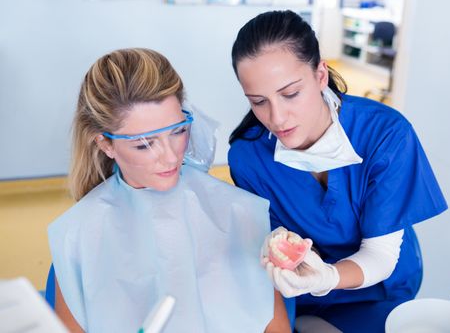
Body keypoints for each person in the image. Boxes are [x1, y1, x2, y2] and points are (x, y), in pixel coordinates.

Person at [228, 10, 448, 332]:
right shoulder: (248, 157)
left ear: (320, 75)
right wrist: (279, 244)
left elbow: (380, 256)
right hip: (302, 294)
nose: (277, 118)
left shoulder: (385, 135)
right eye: (258, 101)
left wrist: (329, 276)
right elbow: (275, 237)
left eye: (290, 94)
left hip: (376, 291)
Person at [47, 48, 290, 332]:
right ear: (105, 144)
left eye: (177, 131)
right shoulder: (79, 234)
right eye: (144, 144)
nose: (172, 156)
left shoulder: (237, 212)